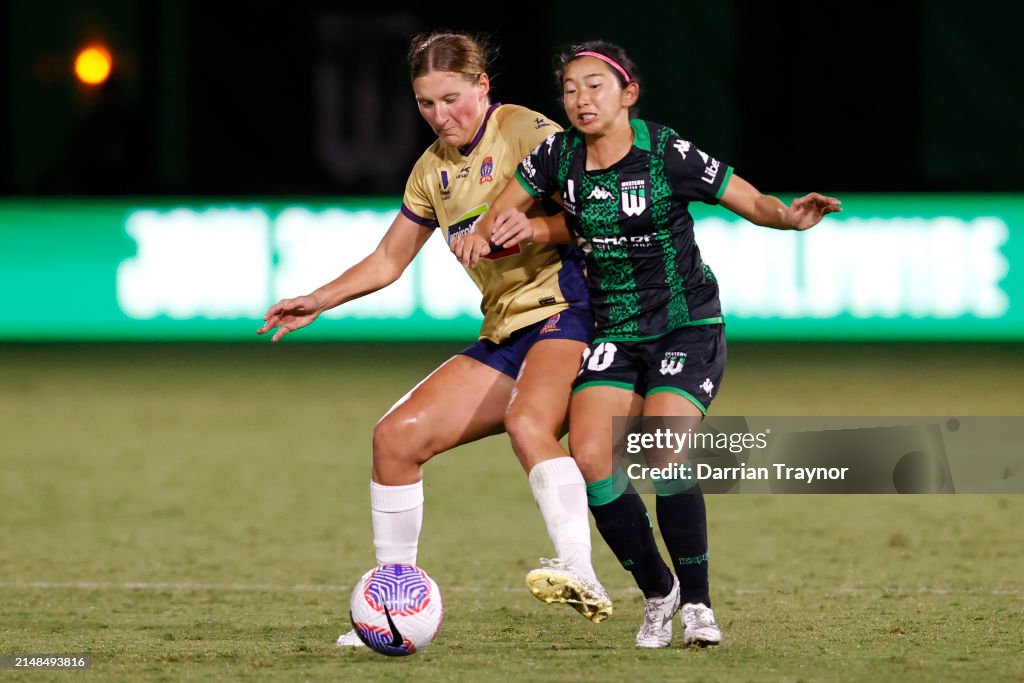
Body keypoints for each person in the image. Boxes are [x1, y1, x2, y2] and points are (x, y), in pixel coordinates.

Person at [454, 40, 841, 648]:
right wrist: (491, 231)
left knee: (664, 455)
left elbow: (752, 200)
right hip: (614, 331)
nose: (581, 100)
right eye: (571, 89)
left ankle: (699, 608)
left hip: (685, 325)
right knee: (590, 458)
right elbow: (505, 213)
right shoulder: (557, 155)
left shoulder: (667, 152)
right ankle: (659, 594)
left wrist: (787, 218)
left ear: (628, 94)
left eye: (595, 86)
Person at [257, 31, 613, 646]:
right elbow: (389, 259)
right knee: (395, 439)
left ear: (482, 85)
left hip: (574, 310)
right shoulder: (431, 171)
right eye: (425, 103)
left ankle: (579, 568)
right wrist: (317, 299)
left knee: (533, 423)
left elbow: (595, 214)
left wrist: (522, 231)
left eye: (452, 99)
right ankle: (396, 598)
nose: (441, 115)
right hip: (509, 333)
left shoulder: (528, 133)